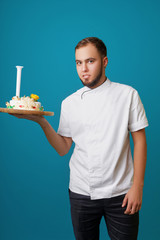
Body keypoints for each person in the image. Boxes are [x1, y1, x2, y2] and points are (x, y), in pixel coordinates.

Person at [11, 37, 149, 240]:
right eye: (79, 62)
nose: (84, 68)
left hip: (121, 193)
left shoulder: (128, 94)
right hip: (81, 192)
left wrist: (137, 187)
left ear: (104, 61)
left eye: (90, 61)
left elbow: (140, 142)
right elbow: (63, 148)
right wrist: (41, 122)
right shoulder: (70, 102)